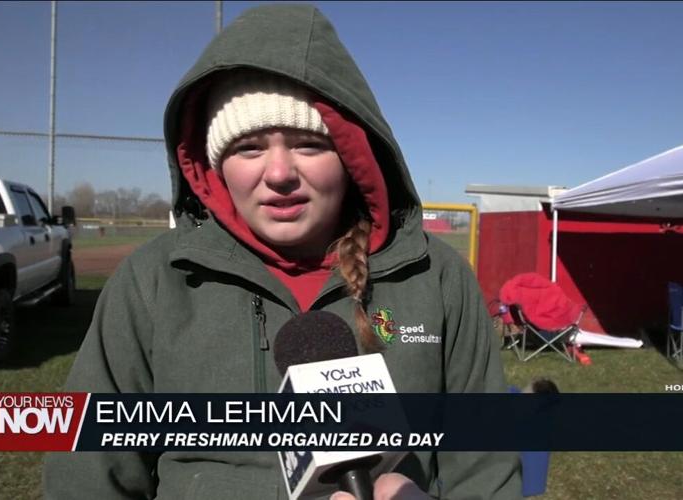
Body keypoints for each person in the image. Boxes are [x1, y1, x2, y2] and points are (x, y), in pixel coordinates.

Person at [43, 4, 520, 499]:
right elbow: (88, 475)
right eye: (249, 147)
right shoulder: (152, 281)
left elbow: (487, 473)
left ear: (353, 156)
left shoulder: (438, 278)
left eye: (308, 144)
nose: (278, 174)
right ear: (214, 165)